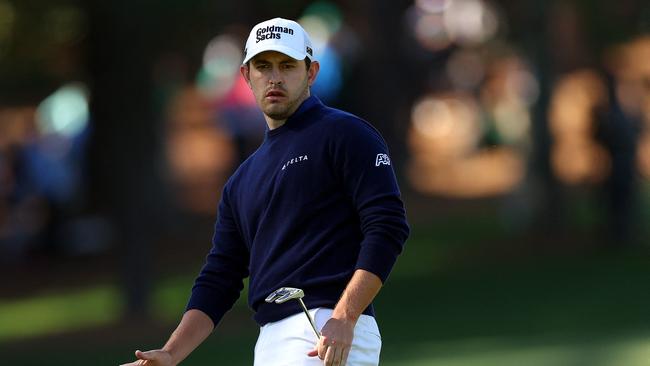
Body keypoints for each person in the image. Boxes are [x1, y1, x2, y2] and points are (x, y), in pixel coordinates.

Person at [121, 17, 409, 366]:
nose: (274, 77)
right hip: (271, 341)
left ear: (312, 72)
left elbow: (387, 225)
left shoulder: (346, 134)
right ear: (246, 76)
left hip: (326, 329)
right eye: (263, 66)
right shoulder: (241, 180)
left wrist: (346, 316)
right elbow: (220, 277)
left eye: (287, 66)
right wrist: (171, 352)